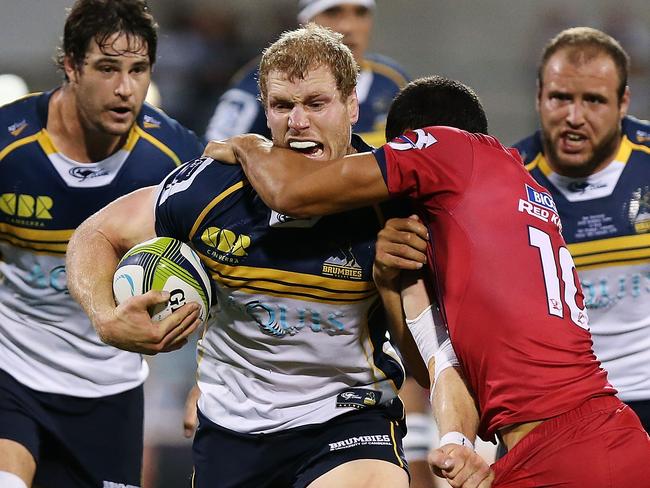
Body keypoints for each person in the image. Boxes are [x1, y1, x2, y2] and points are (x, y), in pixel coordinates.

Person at [67, 25, 480, 487]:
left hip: (347, 422)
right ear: (266, 112)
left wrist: (388, 284)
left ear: (352, 107)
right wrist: (105, 318)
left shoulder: (393, 208)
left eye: (316, 104)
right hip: (231, 434)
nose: (298, 122)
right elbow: (94, 233)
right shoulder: (209, 190)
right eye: (284, 105)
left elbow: (424, 367)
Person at [204, 75, 650, 487]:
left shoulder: (447, 147)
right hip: (578, 441)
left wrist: (250, 147)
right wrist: (389, 280)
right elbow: (433, 366)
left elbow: (291, 194)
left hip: (566, 451)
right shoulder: (507, 197)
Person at [0, 1, 204, 487]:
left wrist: (205, 382)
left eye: (138, 70)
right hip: (12, 375)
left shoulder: (175, 159)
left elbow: (228, 270)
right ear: (71, 66)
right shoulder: (8, 147)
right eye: (107, 68)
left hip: (110, 392)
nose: (125, 89)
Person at [514, 26, 650, 433]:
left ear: (623, 102)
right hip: (558, 404)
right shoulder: (504, 180)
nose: (575, 117)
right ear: (539, 96)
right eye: (560, 98)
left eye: (593, 101)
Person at [204, 0, 409, 148]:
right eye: (333, 12)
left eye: (360, 13)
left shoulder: (393, 81)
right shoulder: (263, 80)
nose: (348, 26)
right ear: (305, 22)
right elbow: (213, 155)